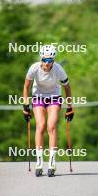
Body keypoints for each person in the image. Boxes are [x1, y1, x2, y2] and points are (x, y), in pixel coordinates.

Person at [23, 45, 74, 177]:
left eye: (49, 60)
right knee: (40, 125)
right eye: (44, 60)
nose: (46, 63)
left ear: (53, 60)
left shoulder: (58, 69)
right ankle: (39, 161)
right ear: (41, 59)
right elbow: (26, 86)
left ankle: (52, 161)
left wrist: (69, 107)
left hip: (54, 97)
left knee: (51, 127)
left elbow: (67, 87)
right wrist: (25, 106)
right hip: (38, 96)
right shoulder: (34, 68)